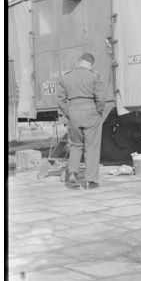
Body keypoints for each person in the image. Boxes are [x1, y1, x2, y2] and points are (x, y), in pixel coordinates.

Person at [57, 53, 106, 190]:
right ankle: (90, 181)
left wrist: (68, 112)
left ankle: (73, 174)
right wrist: (99, 111)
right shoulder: (94, 75)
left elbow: (60, 99)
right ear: (90, 64)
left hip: (73, 114)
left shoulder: (66, 77)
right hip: (91, 113)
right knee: (92, 147)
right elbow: (101, 98)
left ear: (79, 62)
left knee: (75, 145)